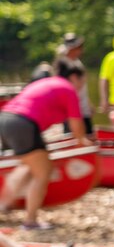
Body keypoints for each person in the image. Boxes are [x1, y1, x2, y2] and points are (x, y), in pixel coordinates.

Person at [0, 58, 92, 229]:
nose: (81, 86)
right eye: (81, 81)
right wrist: (82, 142)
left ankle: (3, 205)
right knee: (43, 171)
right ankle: (30, 221)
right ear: (73, 77)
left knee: (29, 165)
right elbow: (76, 125)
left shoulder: (49, 82)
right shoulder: (68, 89)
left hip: (6, 119)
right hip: (22, 123)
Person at [56, 32, 94, 135]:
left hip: (83, 107)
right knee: (74, 137)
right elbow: (74, 87)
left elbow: (81, 88)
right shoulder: (64, 63)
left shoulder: (76, 62)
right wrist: (83, 78)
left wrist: (88, 104)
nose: (80, 50)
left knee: (89, 135)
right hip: (72, 110)